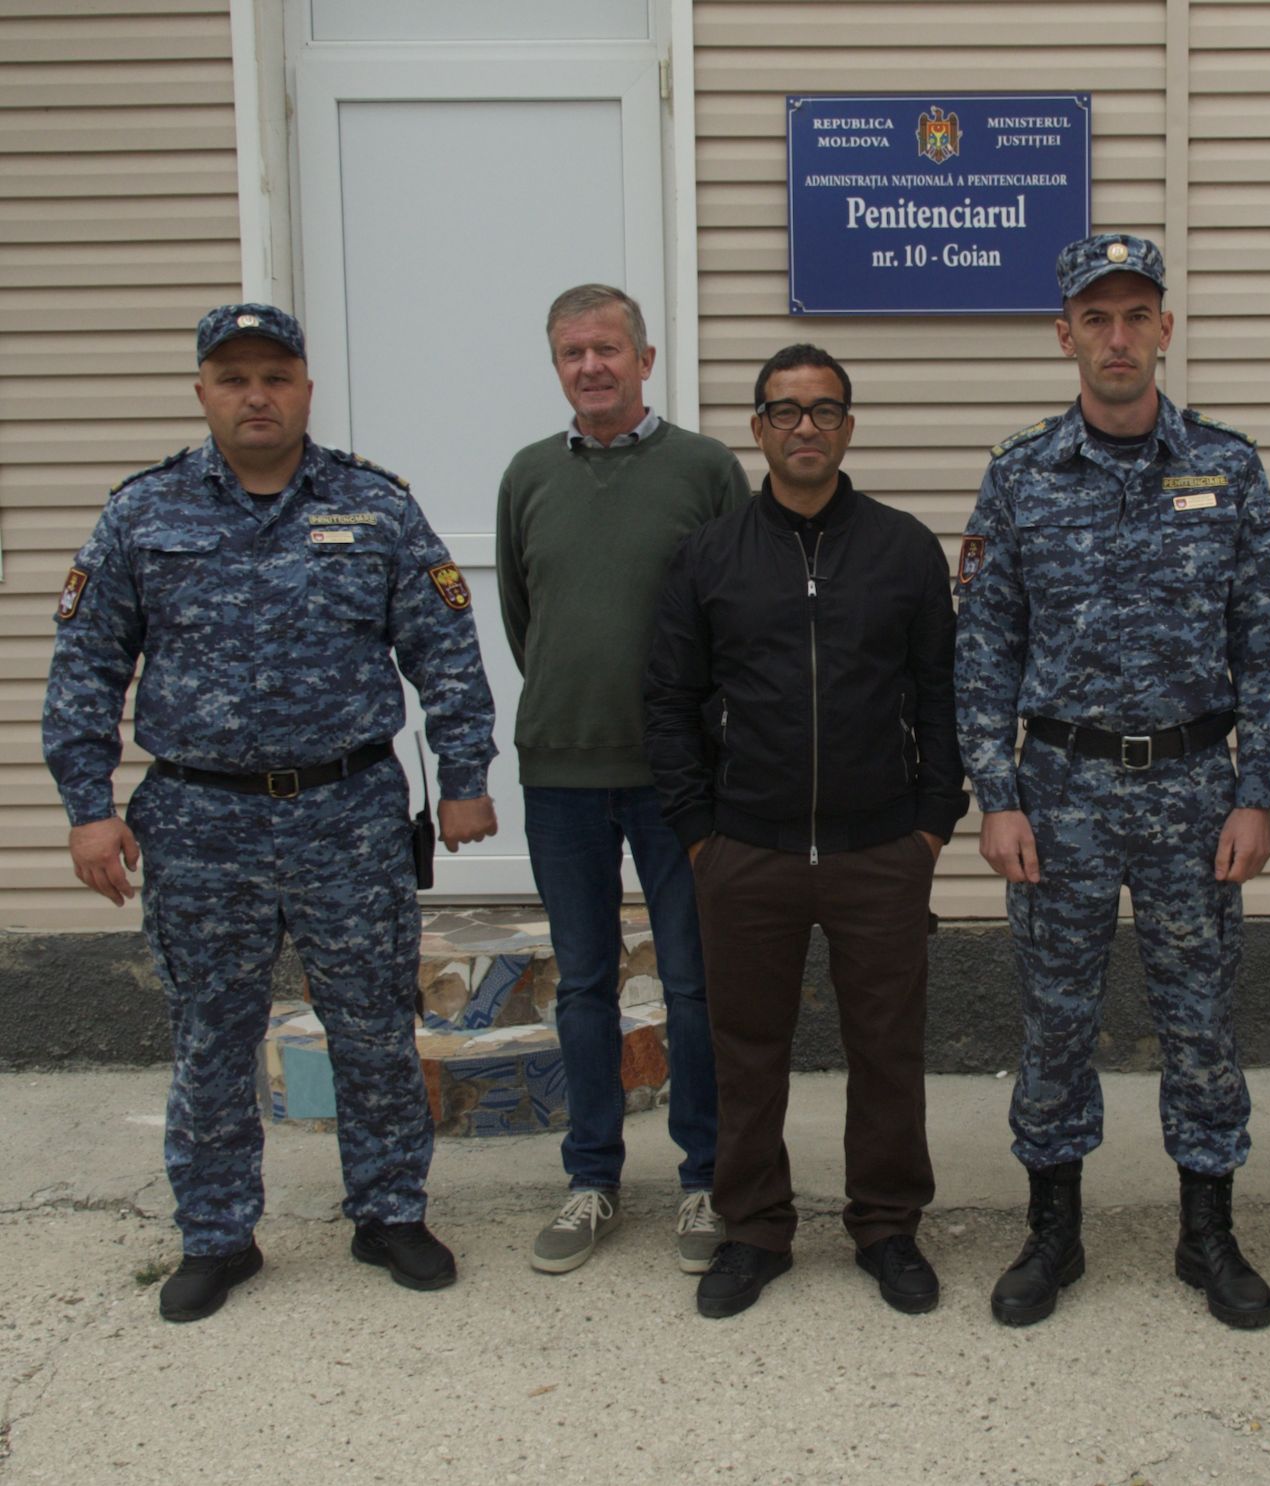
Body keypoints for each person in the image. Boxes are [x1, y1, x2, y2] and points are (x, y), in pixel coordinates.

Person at [44, 304, 499, 1321]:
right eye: (235, 377)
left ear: (305, 387)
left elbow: (444, 647)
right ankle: (215, 1234)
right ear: (203, 391)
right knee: (209, 1033)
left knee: (375, 1026)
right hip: (200, 821)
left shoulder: (374, 507)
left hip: (348, 812)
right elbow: (86, 666)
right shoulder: (143, 513)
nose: (257, 395)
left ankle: (389, 1212)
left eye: (276, 376)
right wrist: (88, 806)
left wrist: (463, 774)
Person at [955, 235, 1270, 1330]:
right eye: (1093, 319)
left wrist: (1258, 793)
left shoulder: (1227, 468)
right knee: (1054, 1019)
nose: (1115, 337)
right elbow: (984, 649)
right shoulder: (1019, 475)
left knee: (1200, 1020)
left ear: (1162, 329)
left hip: (1196, 792)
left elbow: (1263, 642)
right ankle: (1053, 1231)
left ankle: (1209, 1235)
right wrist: (995, 795)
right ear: (1064, 337)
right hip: (1058, 794)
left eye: (1132, 315)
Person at [645, 343, 967, 1319]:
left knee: (885, 1046)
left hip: (879, 851)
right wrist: (701, 831)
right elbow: (669, 704)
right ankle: (752, 1228)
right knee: (745, 1047)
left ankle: (886, 1226)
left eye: (824, 410)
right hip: (748, 849)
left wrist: (930, 824)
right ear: (756, 428)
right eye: (784, 411)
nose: (804, 428)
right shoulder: (709, 556)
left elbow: (939, 694)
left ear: (847, 428)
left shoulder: (902, 548)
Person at [496, 284, 751, 1276]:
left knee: (692, 984)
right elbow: (528, 620)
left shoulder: (703, 470)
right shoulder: (526, 476)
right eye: (572, 353)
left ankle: (704, 1180)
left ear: (646, 360)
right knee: (585, 985)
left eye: (608, 348)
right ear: (557, 366)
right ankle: (591, 1177)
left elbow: (739, 610)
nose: (591, 366)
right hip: (562, 769)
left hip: (677, 777)